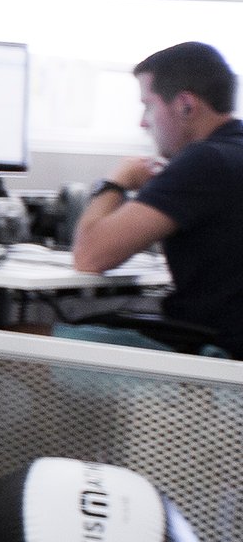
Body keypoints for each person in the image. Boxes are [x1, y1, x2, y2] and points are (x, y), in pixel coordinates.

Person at [71, 40, 243, 352]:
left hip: (212, 359)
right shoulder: (231, 154)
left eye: (148, 106)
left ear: (185, 105)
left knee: (21, 338)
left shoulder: (204, 161)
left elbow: (89, 256)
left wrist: (116, 182)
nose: (143, 122)